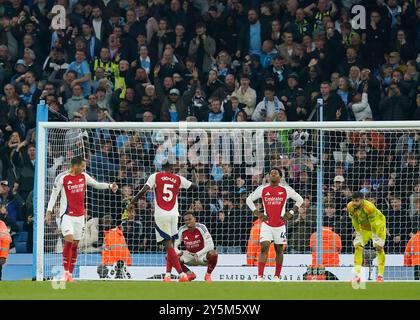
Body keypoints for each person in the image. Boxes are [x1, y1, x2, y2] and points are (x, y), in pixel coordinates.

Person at [45, 156, 118, 282]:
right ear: (74, 166)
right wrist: (49, 211)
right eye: (82, 166)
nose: (84, 168)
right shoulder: (63, 178)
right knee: (68, 241)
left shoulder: (84, 176)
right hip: (67, 215)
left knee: (75, 246)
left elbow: (96, 184)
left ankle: (70, 275)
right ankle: (65, 272)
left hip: (80, 217)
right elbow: (54, 195)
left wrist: (110, 185)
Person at [128, 162, 197, 282]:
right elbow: (195, 186)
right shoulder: (178, 179)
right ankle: (167, 275)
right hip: (174, 215)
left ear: (162, 168)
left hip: (161, 215)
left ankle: (182, 274)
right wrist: (193, 171)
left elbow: (143, 191)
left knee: (169, 247)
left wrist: (132, 202)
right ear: (172, 169)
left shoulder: (155, 176)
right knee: (170, 247)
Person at [246, 168, 304, 281]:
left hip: (280, 225)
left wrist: (291, 212)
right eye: (271, 173)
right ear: (268, 177)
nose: (272, 174)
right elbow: (249, 199)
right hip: (266, 224)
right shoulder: (262, 189)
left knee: (279, 250)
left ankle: (277, 276)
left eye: (275, 173)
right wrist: (257, 213)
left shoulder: (285, 190)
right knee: (264, 248)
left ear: (280, 177)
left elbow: (300, 200)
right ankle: (260, 276)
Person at [347, 191, 387, 283]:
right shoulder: (350, 207)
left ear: (362, 200)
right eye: (353, 201)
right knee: (358, 246)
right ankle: (358, 275)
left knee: (378, 247)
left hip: (378, 226)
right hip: (364, 228)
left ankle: (380, 275)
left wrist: (376, 236)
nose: (354, 203)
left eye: (356, 201)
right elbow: (354, 220)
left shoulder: (369, 207)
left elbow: (373, 223)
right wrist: (358, 232)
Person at [173, 212, 218, 283]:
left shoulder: (201, 227)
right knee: (170, 256)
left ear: (195, 219)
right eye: (186, 220)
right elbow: (175, 245)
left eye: (190, 219)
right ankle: (189, 274)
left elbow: (211, 245)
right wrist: (178, 252)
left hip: (202, 255)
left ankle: (208, 275)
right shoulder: (182, 229)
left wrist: (198, 254)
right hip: (189, 255)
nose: (188, 221)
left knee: (213, 253)